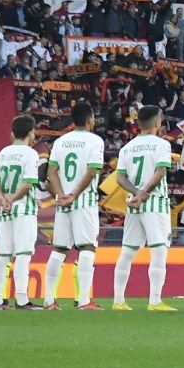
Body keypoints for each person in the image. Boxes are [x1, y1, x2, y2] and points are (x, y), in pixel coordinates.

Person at [111, 106, 176, 311]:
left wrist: (136, 193)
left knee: (128, 251)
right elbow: (160, 172)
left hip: (134, 204)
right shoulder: (161, 144)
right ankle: (155, 301)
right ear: (157, 122)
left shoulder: (127, 148)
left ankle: (118, 301)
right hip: (154, 202)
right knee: (158, 251)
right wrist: (144, 193)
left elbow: (120, 178)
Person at [43, 102, 106, 311]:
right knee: (87, 247)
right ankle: (83, 300)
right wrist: (74, 195)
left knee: (59, 249)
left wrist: (61, 195)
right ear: (89, 119)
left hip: (63, 204)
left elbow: (51, 172)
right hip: (83, 202)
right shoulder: (95, 141)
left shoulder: (61, 141)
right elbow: (91, 172)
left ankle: (49, 300)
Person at [0, 115, 43, 310]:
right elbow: (28, 184)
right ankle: (22, 300)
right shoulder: (30, 154)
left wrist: (3, 199)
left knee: (2, 255)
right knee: (23, 254)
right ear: (30, 132)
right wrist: (12, 199)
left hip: (6, 211)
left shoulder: (3, 153)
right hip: (23, 209)